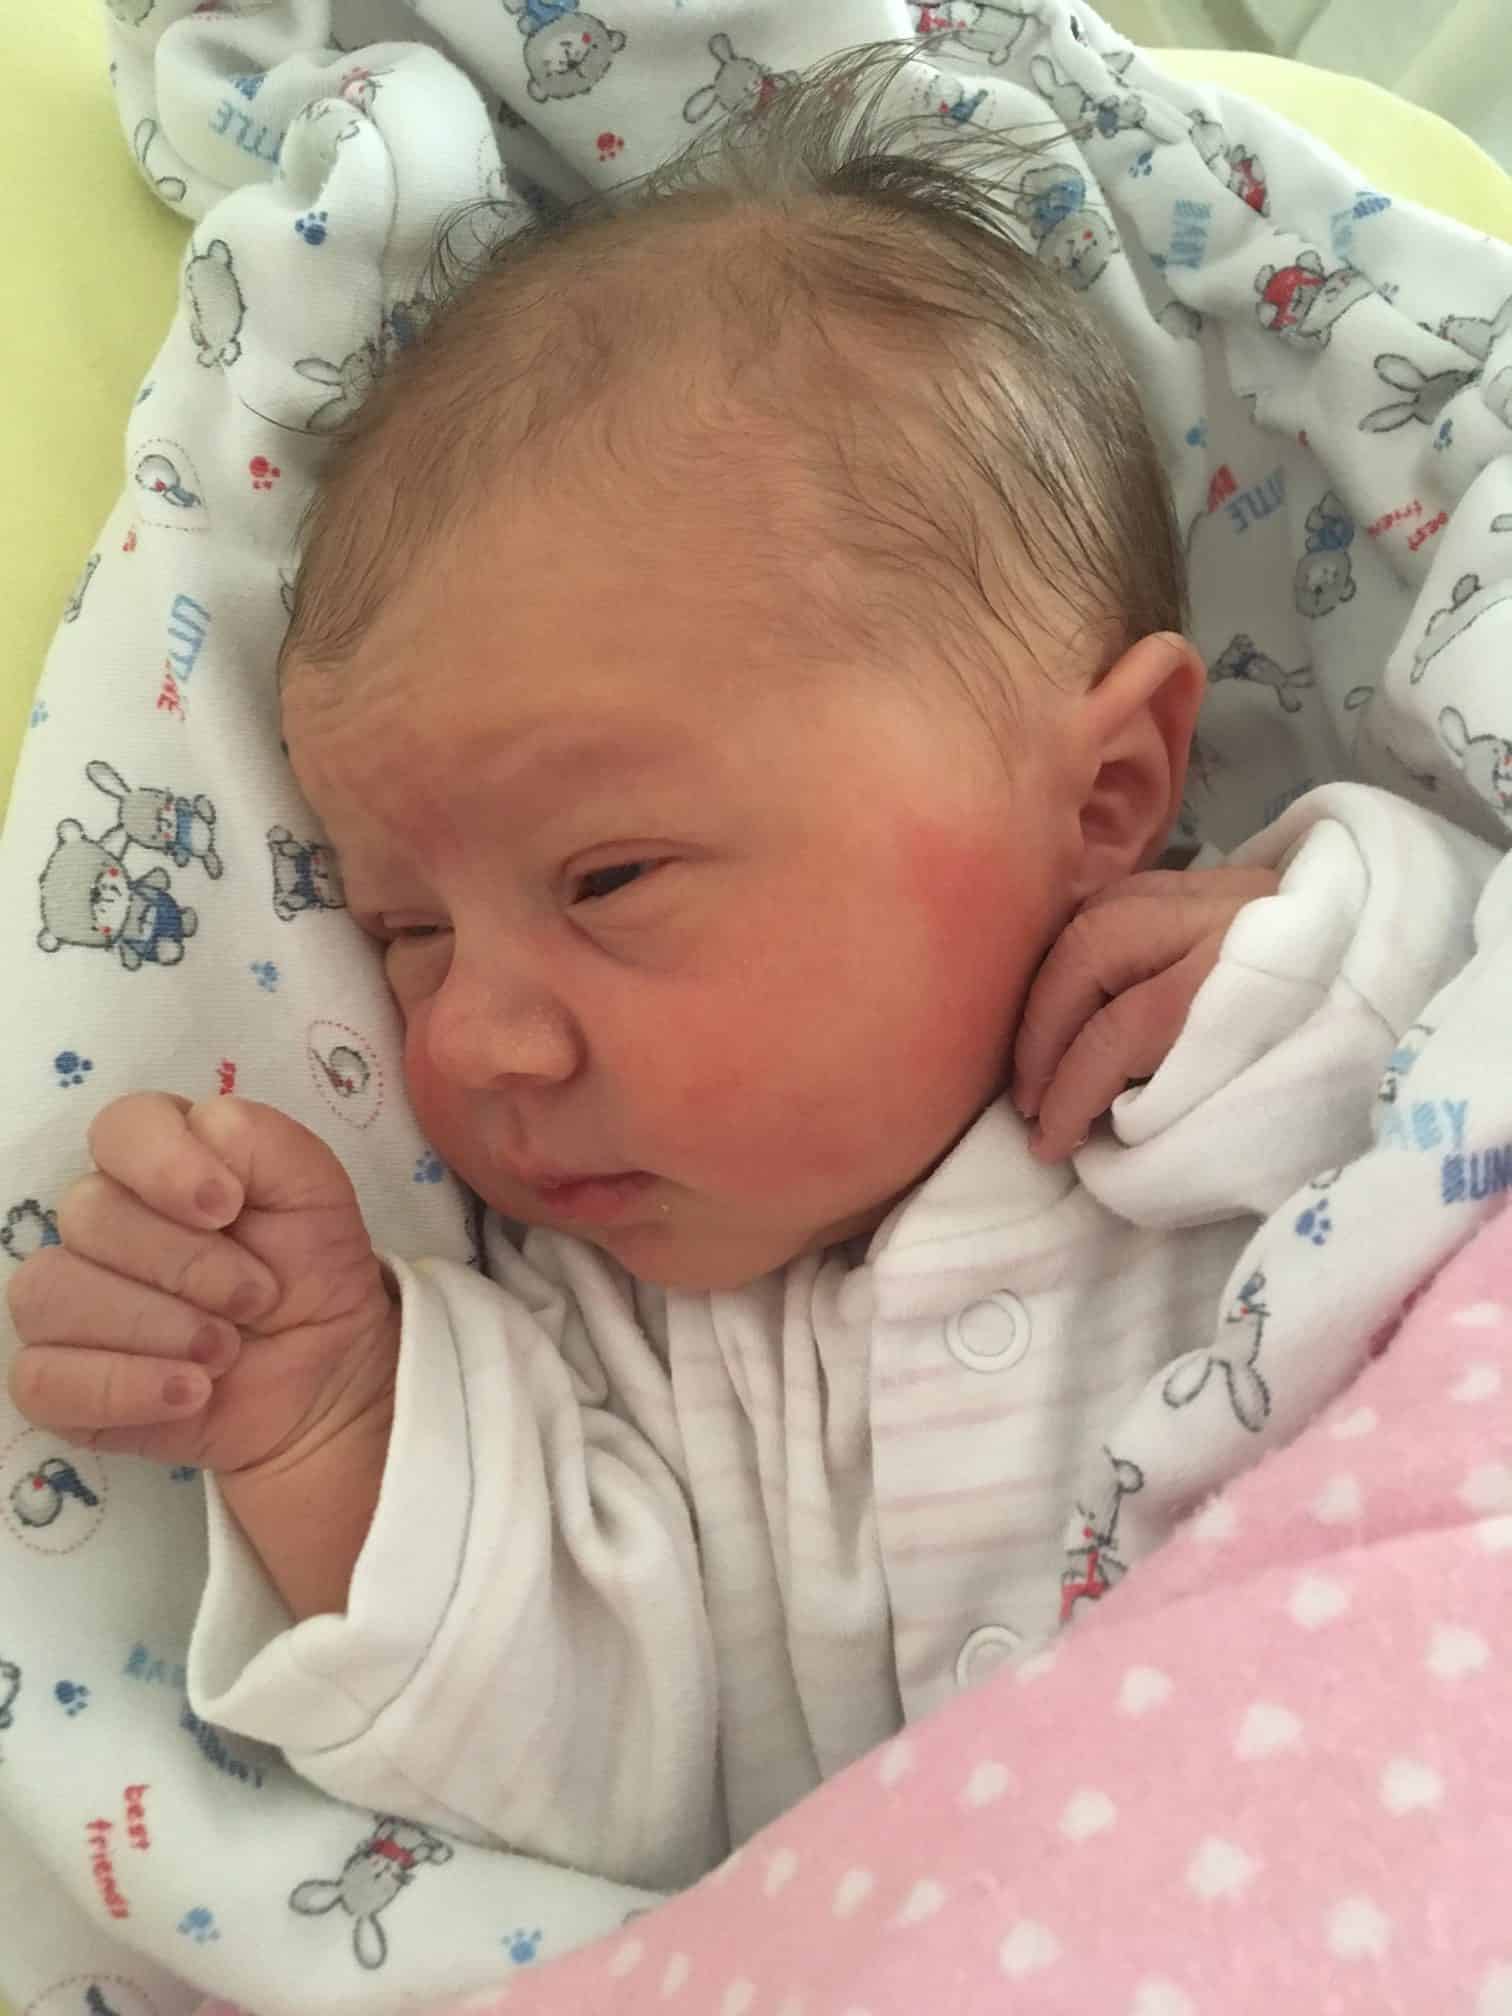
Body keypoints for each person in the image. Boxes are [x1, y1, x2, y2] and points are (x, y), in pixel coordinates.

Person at [4, 47, 1493, 1891]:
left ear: (1108, 793)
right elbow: (596, 1796)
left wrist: (1348, 938)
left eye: (609, 876)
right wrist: (333, 1425)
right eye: (405, 931)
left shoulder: (1298, 1012)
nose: (474, 1041)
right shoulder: (610, 1369)